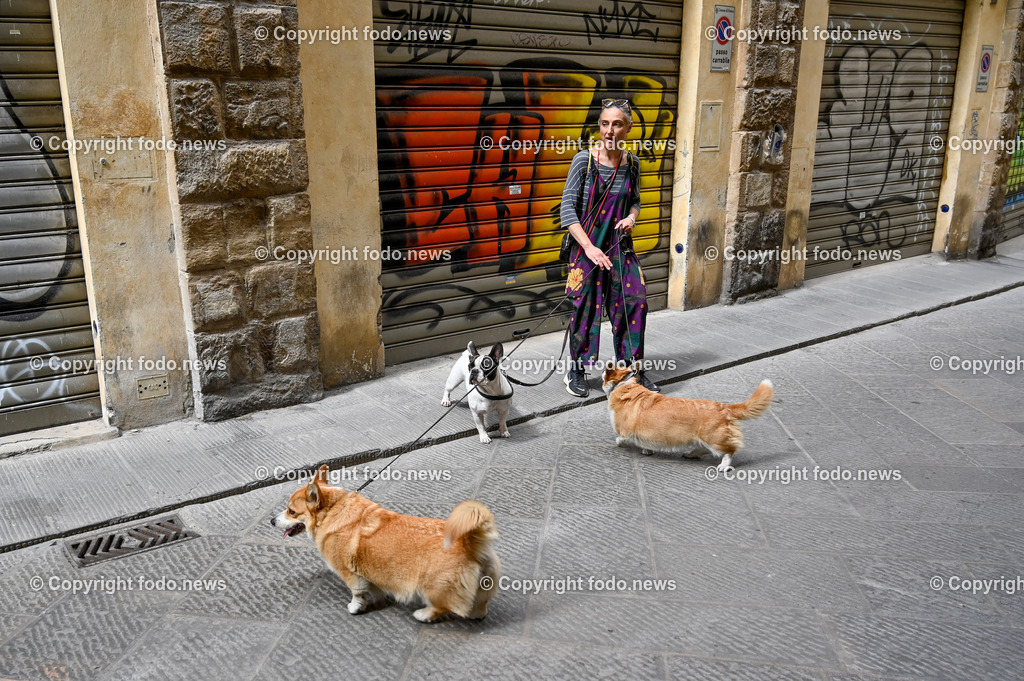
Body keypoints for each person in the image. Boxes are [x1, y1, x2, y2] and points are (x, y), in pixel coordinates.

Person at [559, 98, 659, 397]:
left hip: (619, 248)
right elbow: (567, 209)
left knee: (635, 302)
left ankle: (630, 371)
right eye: (605, 124)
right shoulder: (584, 161)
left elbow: (637, 202)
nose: (609, 130)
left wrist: (631, 217)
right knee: (584, 309)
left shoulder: (633, 164)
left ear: (627, 128)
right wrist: (588, 248)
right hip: (586, 248)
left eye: (617, 124)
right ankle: (577, 369)